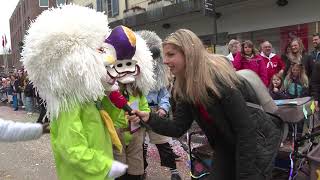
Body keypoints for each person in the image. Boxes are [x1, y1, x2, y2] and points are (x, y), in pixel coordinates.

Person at [126, 29, 282, 180]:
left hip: (255, 144)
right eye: (165, 55)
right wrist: (148, 118)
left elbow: (246, 131)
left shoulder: (218, 81)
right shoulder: (185, 88)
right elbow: (177, 127)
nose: (165, 61)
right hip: (225, 143)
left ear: (188, 54)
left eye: (171, 54)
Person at [21, 5, 128, 180]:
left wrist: (111, 94)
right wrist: (105, 167)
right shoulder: (68, 105)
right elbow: (72, 150)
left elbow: (118, 120)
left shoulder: (92, 99)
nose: (109, 61)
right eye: (100, 51)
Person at [102, 26, 155, 180]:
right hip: (116, 134)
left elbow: (144, 107)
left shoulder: (136, 89)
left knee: (136, 170)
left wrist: (140, 116)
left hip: (135, 132)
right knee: (120, 171)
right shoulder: (108, 90)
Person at [137, 30, 181, 180]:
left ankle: (173, 171)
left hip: (155, 112)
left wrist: (163, 108)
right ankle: (141, 171)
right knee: (139, 145)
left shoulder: (159, 74)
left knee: (163, 143)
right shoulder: (135, 74)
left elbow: (164, 94)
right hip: (138, 111)